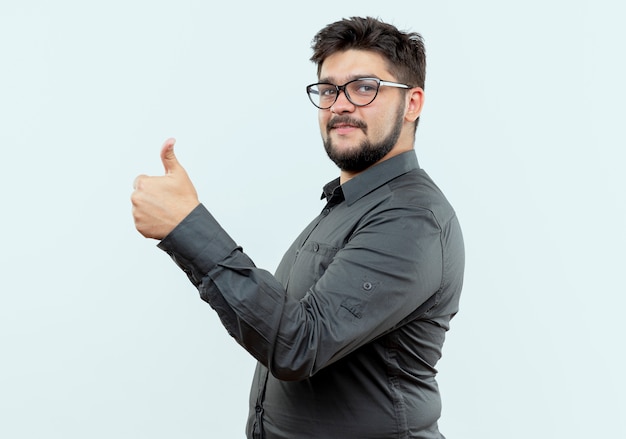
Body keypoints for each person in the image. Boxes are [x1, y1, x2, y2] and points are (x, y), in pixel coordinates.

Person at [132, 16, 464, 439]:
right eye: (329, 89)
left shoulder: (411, 221)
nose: (341, 104)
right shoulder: (349, 205)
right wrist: (180, 232)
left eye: (365, 88)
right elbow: (277, 325)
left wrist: (187, 226)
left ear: (412, 103)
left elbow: (297, 344)